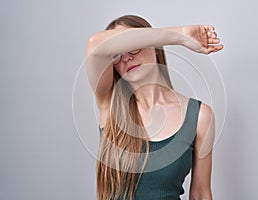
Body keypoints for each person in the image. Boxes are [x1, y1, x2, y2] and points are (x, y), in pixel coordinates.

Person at [86, 15, 223, 200]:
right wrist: (181, 35)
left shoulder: (199, 116)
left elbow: (200, 194)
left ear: (155, 46)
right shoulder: (109, 103)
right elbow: (95, 45)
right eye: (116, 53)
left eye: (132, 45)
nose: (126, 58)